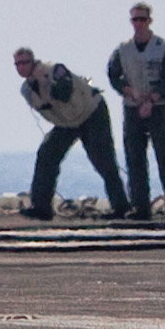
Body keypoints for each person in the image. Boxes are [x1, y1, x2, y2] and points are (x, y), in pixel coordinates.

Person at [14, 46, 124, 220]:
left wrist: (46, 83)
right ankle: (41, 207)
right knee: (47, 154)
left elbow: (64, 93)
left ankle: (121, 207)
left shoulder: (55, 70)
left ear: (33, 61)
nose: (21, 67)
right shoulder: (26, 90)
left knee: (103, 160)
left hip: (91, 113)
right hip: (68, 122)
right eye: (17, 64)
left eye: (24, 63)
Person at [105, 2, 165, 224]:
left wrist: (153, 98)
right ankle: (140, 205)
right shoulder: (123, 49)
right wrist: (128, 91)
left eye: (142, 19)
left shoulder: (163, 46)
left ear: (150, 21)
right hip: (132, 108)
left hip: (157, 108)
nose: (138, 24)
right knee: (134, 159)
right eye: (135, 20)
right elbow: (113, 74)